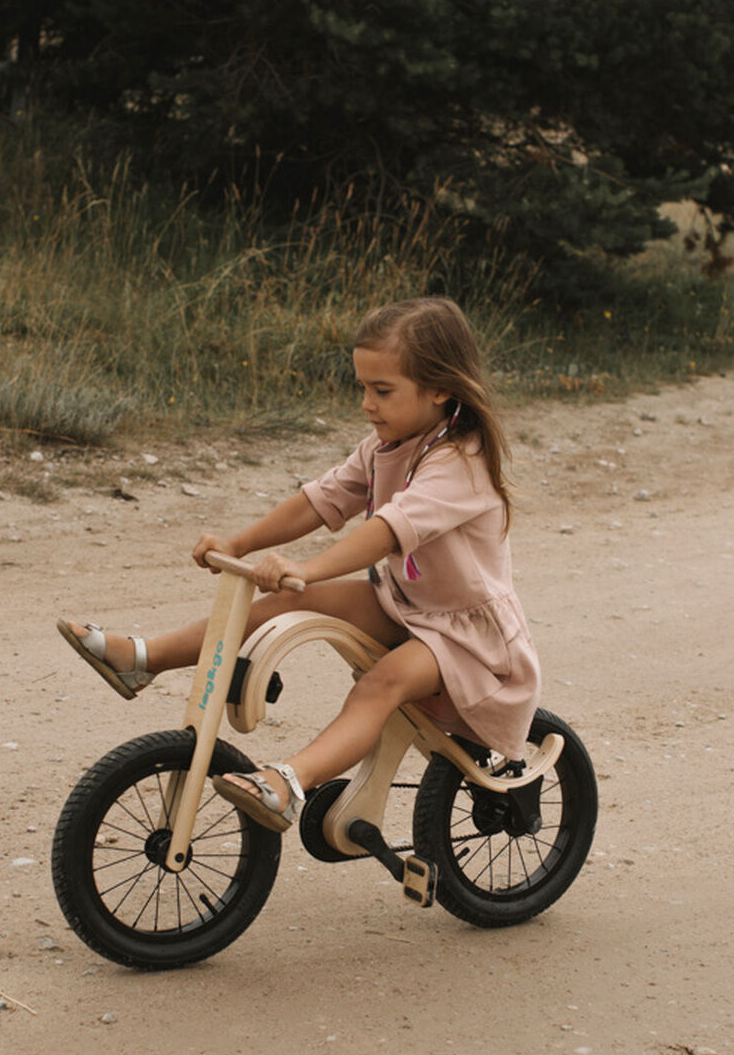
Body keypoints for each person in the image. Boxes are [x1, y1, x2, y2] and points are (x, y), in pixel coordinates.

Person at [57, 297, 541, 832]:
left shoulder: (460, 460)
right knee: (285, 602)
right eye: (362, 387)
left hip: (465, 638)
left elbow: (386, 531)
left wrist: (311, 566)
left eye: (383, 391)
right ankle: (143, 659)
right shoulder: (386, 445)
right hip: (406, 606)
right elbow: (320, 501)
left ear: (440, 389)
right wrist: (238, 543)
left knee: (381, 684)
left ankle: (289, 782)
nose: (367, 404)